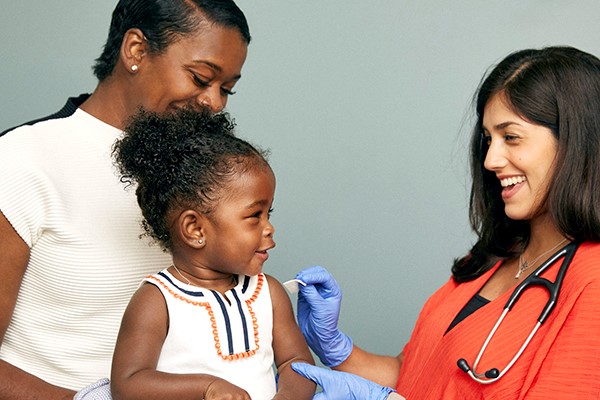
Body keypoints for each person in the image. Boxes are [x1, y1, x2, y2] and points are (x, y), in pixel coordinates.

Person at [291, 45, 600, 399]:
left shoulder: (592, 282)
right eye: (488, 139)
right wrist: (338, 350)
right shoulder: (487, 259)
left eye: (510, 137)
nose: (491, 160)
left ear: (576, 142)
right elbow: (417, 374)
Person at [0, 1, 250, 398]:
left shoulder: (202, 171)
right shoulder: (23, 160)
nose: (215, 103)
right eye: (201, 78)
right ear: (135, 50)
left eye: (227, 89)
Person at [110, 108, 315, 400]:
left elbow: (297, 362)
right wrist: (206, 387)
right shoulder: (158, 300)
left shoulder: (268, 292)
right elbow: (128, 384)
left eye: (269, 213)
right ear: (195, 229)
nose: (269, 228)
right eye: (255, 215)